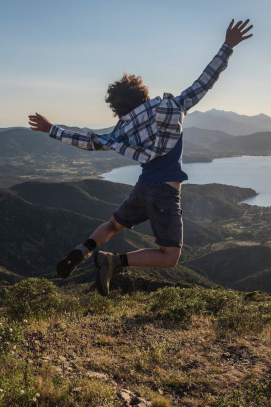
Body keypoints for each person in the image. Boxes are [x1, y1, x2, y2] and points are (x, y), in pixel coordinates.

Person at [29, 19, 253, 296]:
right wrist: (227, 47)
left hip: (142, 188)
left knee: (113, 225)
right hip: (165, 194)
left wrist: (51, 128)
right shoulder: (170, 108)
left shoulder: (123, 129)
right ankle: (114, 261)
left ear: (117, 107)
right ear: (142, 92)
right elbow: (202, 84)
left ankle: (83, 250)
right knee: (170, 257)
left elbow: (89, 142)